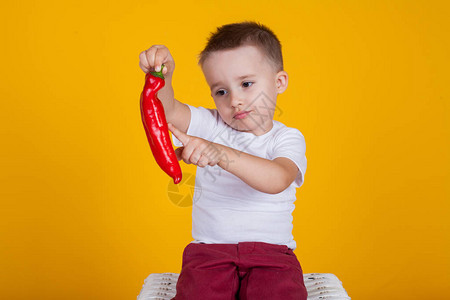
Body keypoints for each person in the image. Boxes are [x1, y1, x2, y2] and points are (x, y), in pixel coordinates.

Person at [139, 21, 308, 300]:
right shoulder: (212, 125)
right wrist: (164, 75)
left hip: (272, 254)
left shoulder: (286, 138)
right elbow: (166, 110)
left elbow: (277, 179)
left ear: (279, 82)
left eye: (246, 84)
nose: (235, 100)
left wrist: (219, 152)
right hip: (209, 253)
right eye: (221, 91)